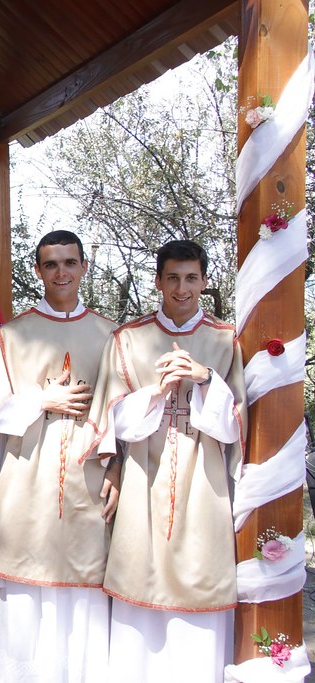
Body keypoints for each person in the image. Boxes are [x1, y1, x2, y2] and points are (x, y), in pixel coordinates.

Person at [0, 230, 120, 681]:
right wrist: (42, 401)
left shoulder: (112, 335)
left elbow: (127, 415)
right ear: (38, 271)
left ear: (83, 267)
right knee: (26, 603)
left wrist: (118, 467)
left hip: (89, 486)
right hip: (27, 488)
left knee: (86, 598)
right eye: (51, 264)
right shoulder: (12, 336)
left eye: (69, 263)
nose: (61, 272)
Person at [87, 239, 244, 682]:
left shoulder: (225, 339)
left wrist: (205, 379)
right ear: (157, 281)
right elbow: (111, 422)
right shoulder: (129, 338)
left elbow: (235, 427)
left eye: (191, 278)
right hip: (143, 480)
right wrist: (155, 393)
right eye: (172, 278)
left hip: (204, 485)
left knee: (201, 586)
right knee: (140, 585)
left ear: (205, 282)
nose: (181, 288)